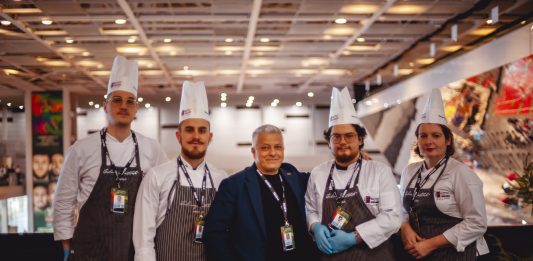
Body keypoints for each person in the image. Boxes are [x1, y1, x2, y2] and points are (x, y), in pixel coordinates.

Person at [53, 55, 167, 261]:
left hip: (134, 250)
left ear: (135, 109)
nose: (123, 106)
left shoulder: (152, 148)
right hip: (89, 251)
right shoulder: (81, 149)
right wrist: (66, 243)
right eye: (117, 100)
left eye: (129, 101)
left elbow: (165, 196)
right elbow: (64, 199)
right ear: (105, 105)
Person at [133, 81, 227, 261]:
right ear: (179, 135)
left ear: (210, 137)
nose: (196, 136)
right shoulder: (157, 177)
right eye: (189, 130)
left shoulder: (221, 179)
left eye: (202, 130)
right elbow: (143, 239)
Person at [305, 87, 402, 260]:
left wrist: (354, 237)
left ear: (360, 139)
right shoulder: (318, 173)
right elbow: (311, 208)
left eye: (349, 136)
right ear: (329, 142)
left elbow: (393, 217)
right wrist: (314, 226)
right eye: (336, 137)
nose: (342, 142)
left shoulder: (379, 172)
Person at [204, 124, 317, 261]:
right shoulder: (234, 186)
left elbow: (325, 177)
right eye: (265, 148)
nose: (272, 153)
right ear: (253, 151)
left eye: (277, 147)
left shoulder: (295, 178)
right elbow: (214, 234)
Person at [399, 88, 488, 260]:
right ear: (417, 140)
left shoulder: (460, 173)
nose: (429, 141)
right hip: (420, 254)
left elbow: (477, 223)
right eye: (423, 136)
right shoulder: (409, 171)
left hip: (454, 255)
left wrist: (430, 244)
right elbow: (401, 209)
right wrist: (404, 226)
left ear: (447, 140)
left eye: (436, 136)